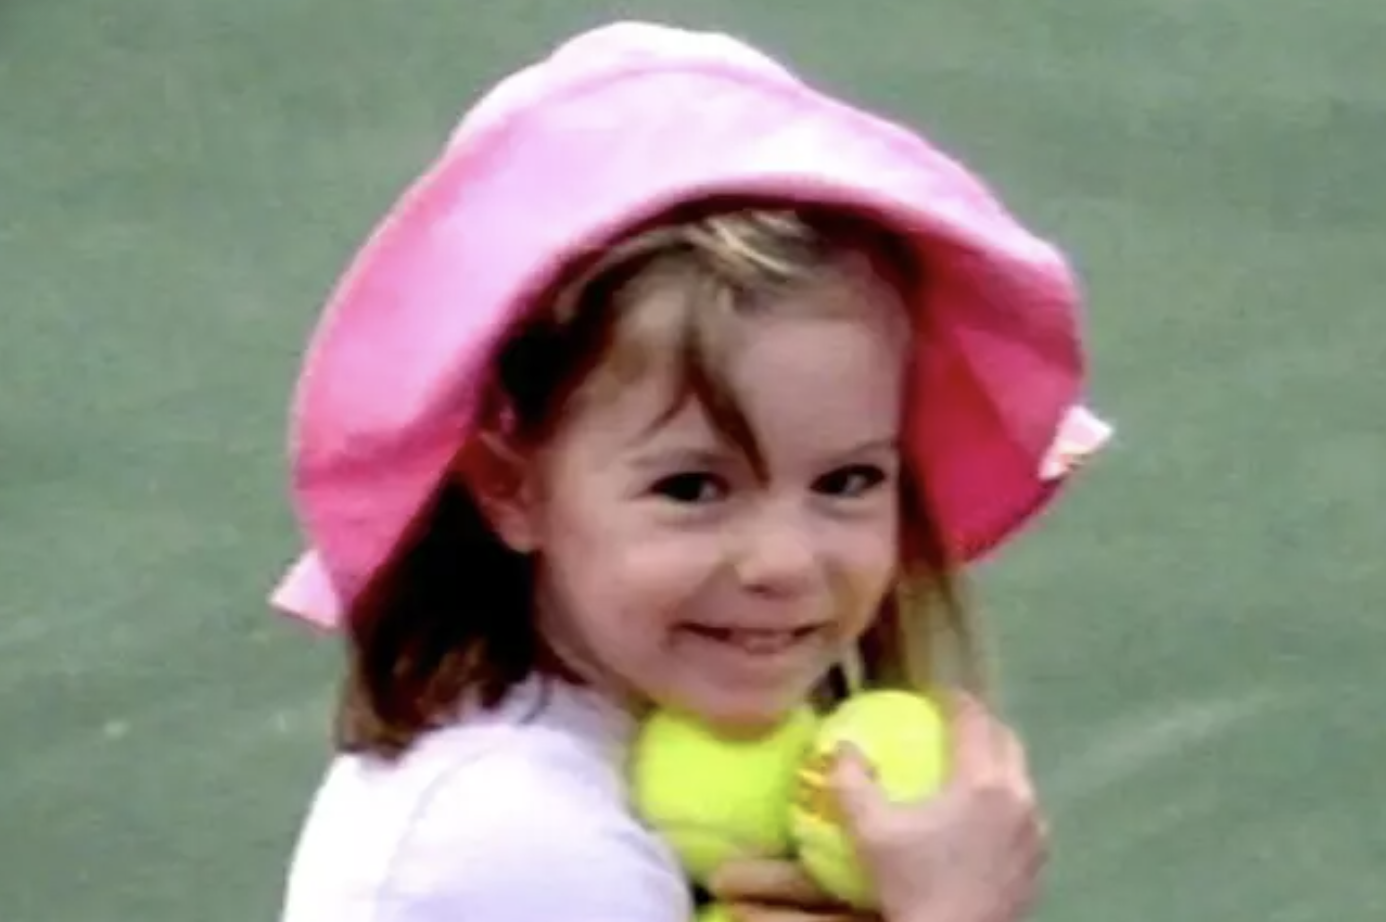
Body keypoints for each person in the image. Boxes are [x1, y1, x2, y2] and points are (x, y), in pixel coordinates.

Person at [269, 19, 1113, 922]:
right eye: (692, 488)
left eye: (848, 481)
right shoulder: (514, 841)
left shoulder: (595, 769)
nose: (783, 562)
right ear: (512, 486)